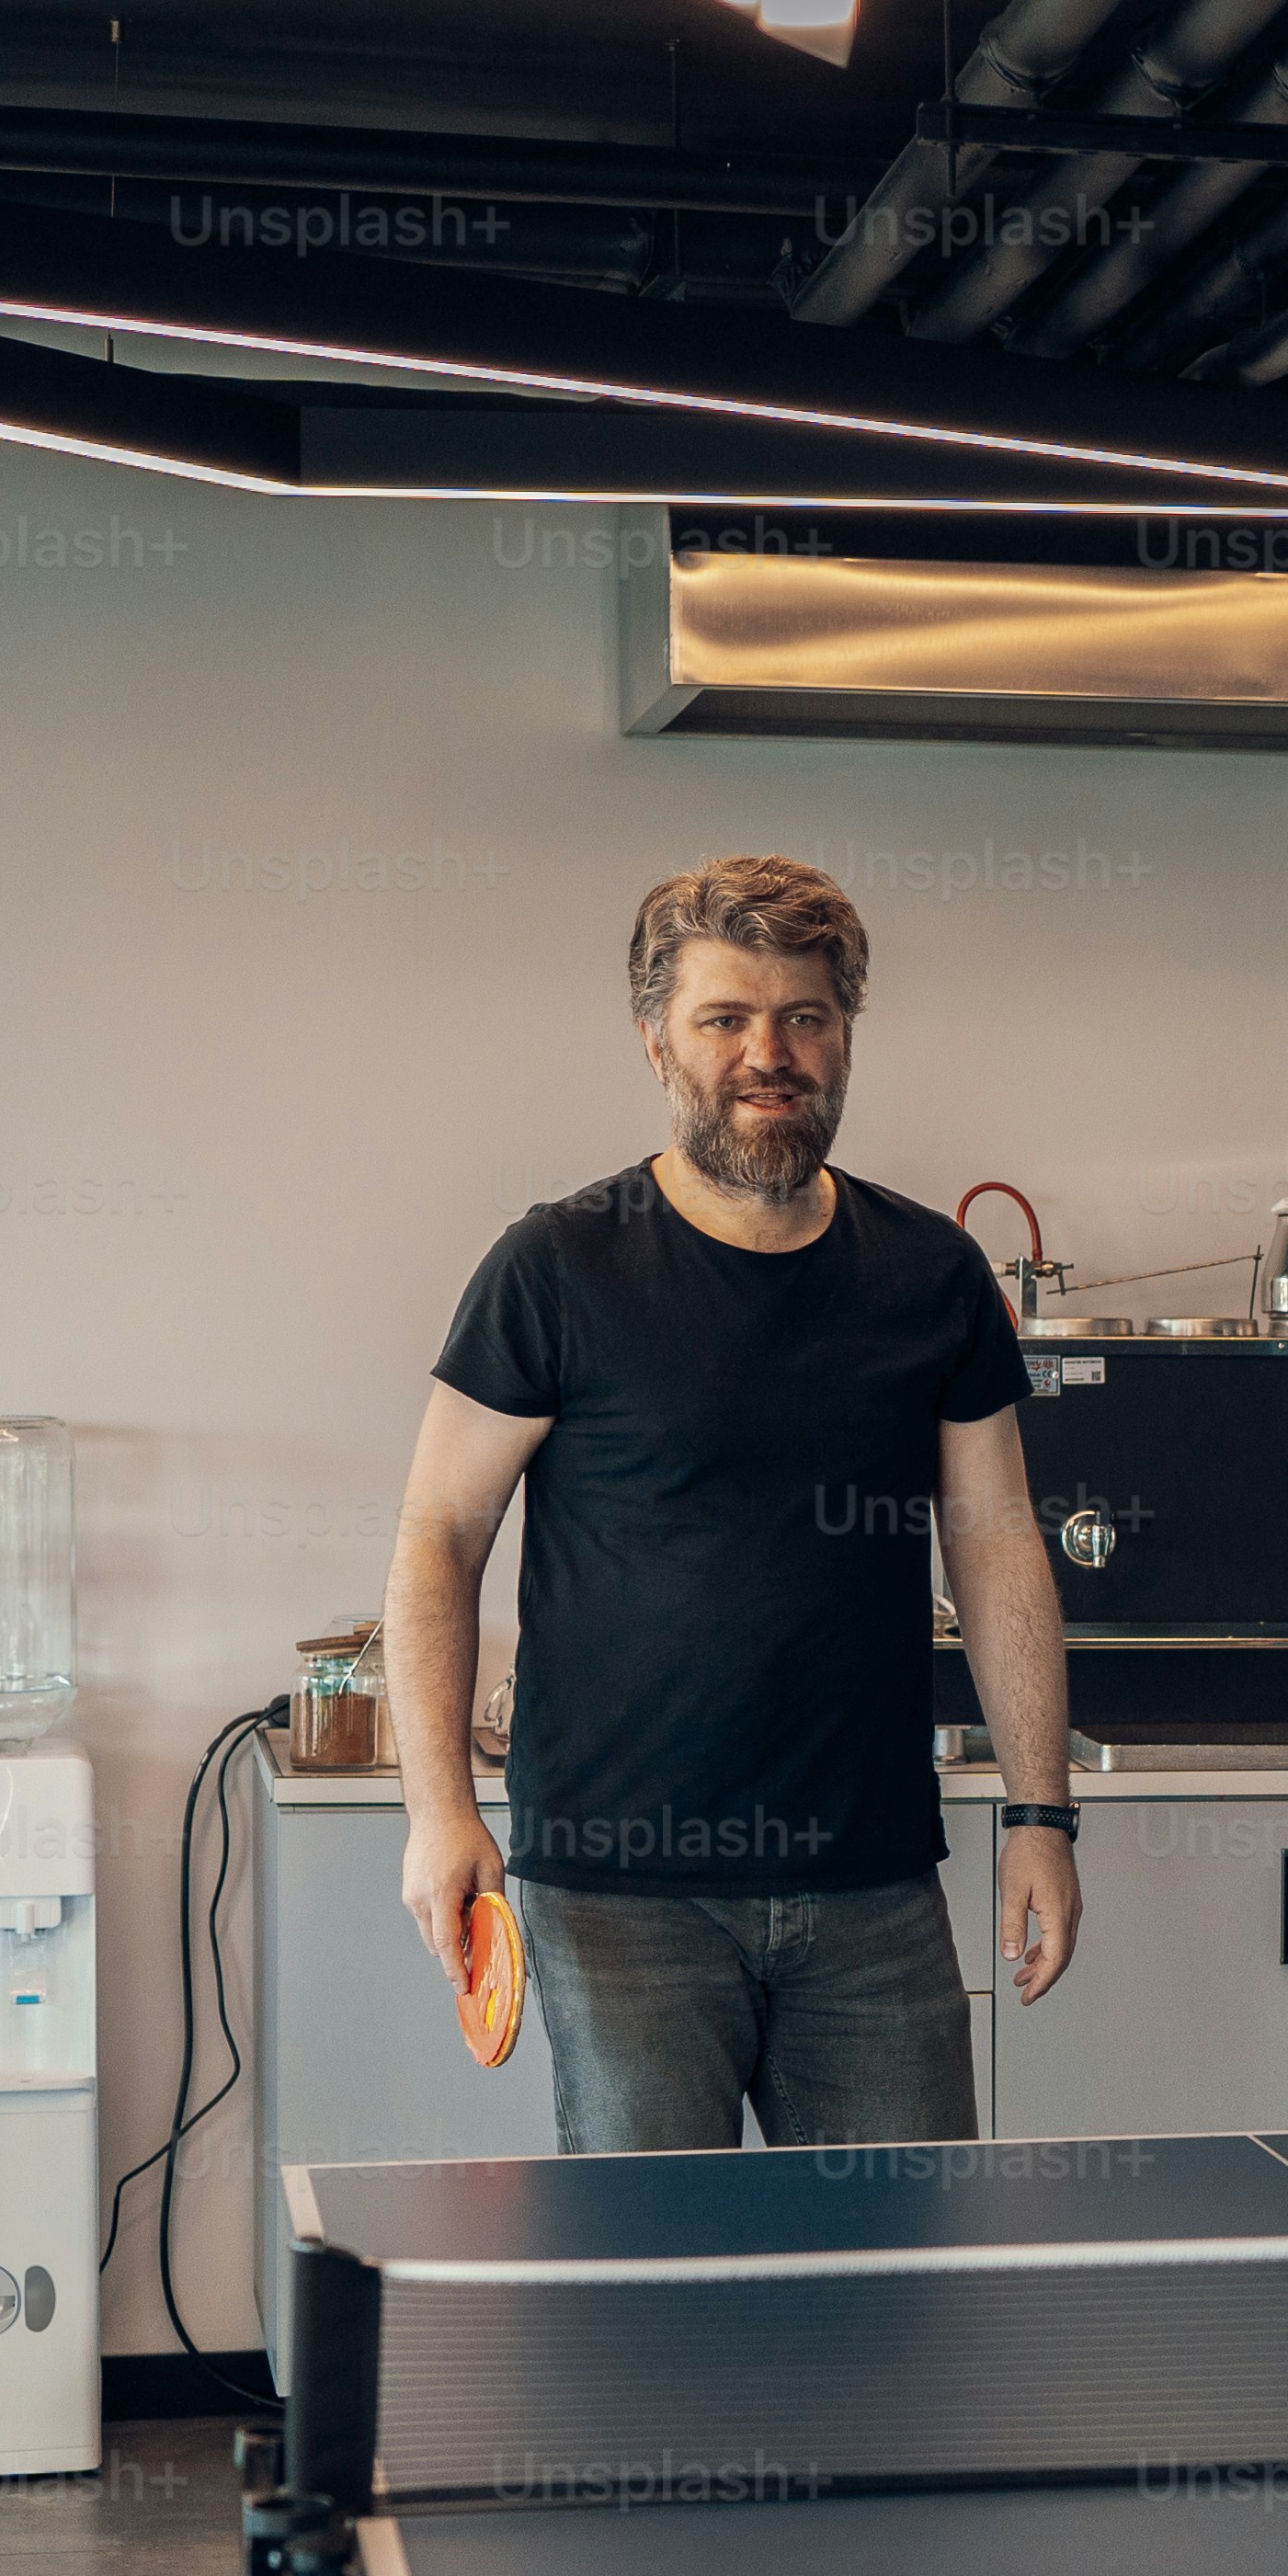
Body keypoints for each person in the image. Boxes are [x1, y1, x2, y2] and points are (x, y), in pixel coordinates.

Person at [386, 854, 1077, 2149]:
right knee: (663, 2296)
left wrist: (1040, 1816)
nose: (771, 1053)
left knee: (904, 2287)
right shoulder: (557, 1267)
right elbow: (439, 1538)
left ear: (845, 1038)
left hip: (873, 1886)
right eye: (726, 1019)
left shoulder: (931, 1274)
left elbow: (995, 1548)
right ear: (660, 1044)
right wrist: (440, 1815)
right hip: (620, 1897)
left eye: (805, 1017)